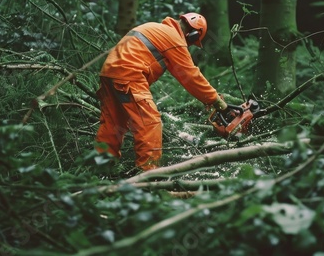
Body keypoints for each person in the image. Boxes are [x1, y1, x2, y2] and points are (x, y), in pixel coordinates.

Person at [94, 12, 231, 172]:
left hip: (110, 73)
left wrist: (207, 98)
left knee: (113, 124)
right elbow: (190, 76)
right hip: (128, 75)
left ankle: (101, 171)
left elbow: (180, 73)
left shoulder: (157, 29)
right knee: (150, 123)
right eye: (192, 42)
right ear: (193, 34)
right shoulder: (174, 39)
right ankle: (148, 177)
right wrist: (216, 100)